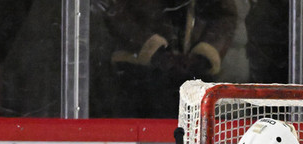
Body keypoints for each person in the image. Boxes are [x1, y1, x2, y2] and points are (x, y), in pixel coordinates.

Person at [93, 0, 237, 118]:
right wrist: (153, 50)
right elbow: (111, 9)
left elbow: (224, 13)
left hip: (193, 76)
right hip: (134, 77)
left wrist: (203, 56)